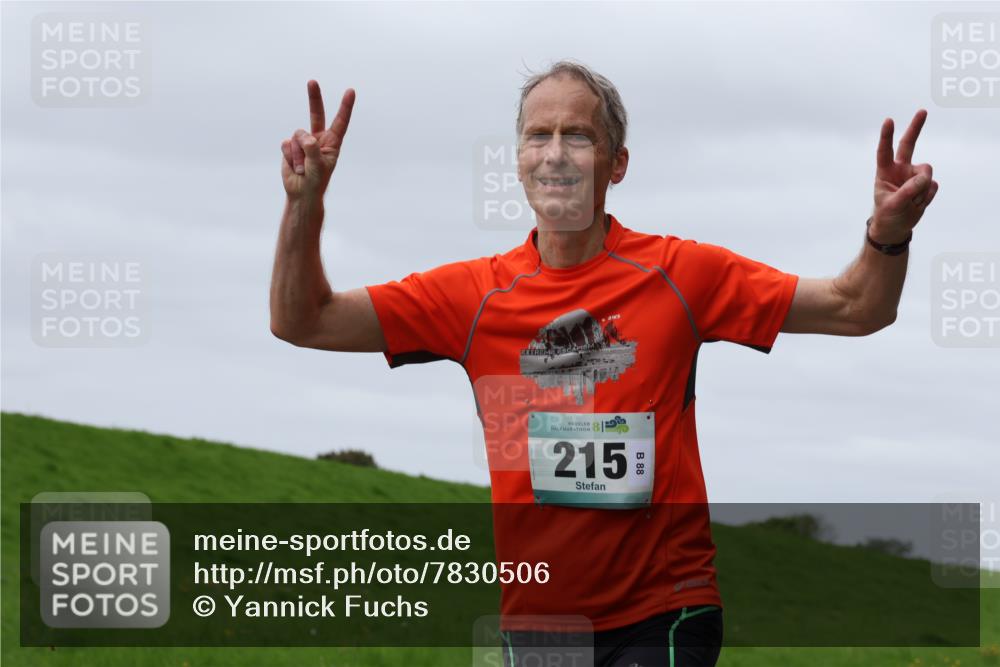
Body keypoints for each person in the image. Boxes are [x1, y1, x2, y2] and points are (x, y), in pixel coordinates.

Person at [270, 61, 937, 667]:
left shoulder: (680, 274)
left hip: (664, 611)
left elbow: (857, 307)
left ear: (617, 164)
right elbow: (303, 320)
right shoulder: (472, 296)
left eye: (578, 136)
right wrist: (305, 205)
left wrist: (888, 235)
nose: (555, 152)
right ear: (519, 161)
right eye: (538, 135)